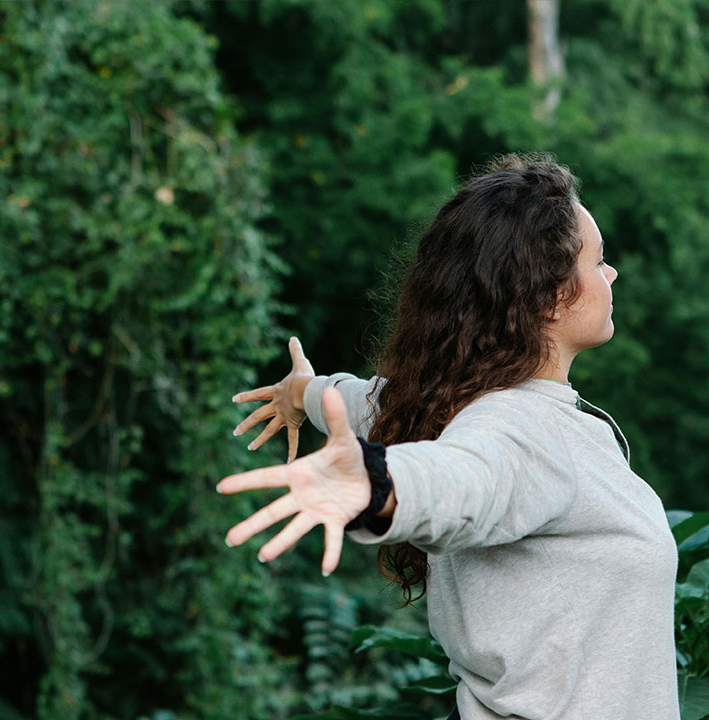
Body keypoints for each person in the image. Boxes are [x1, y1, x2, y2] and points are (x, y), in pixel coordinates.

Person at [217, 153, 679, 720]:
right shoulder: (523, 430)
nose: (611, 275)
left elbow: (368, 401)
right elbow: (463, 481)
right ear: (549, 297)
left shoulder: (441, 407)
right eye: (599, 261)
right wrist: (374, 485)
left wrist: (304, 393)